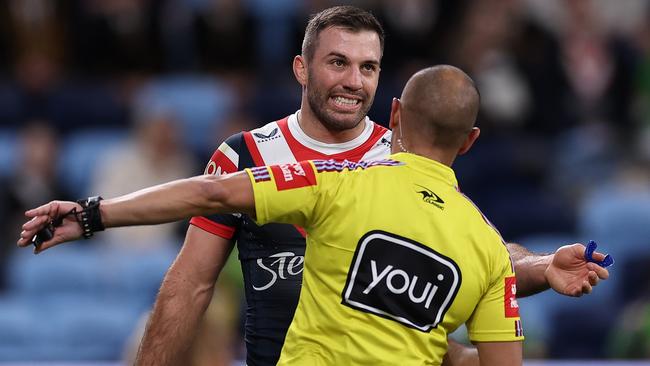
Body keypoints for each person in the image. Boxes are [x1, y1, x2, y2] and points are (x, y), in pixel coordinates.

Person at [22, 6, 609, 366]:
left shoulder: (396, 157)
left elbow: (481, 256)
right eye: (338, 63)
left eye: (369, 67)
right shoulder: (248, 153)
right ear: (302, 69)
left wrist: (537, 268)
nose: (353, 81)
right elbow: (189, 286)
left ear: (388, 89)